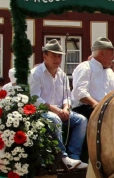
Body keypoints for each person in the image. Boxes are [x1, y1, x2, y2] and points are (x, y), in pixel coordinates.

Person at [29, 39, 87, 169]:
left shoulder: (63, 75)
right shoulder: (35, 74)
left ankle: (75, 157)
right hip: (40, 112)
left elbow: (67, 96)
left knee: (81, 120)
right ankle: (63, 157)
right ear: (45, 56)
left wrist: (66, 108)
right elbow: (35, 99)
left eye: (59, 56)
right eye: (53, 55)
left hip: (59, 111)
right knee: (55, 119)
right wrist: (56, 110)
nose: (57, 59)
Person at [71, 37, 114, 119]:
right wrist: (96, 105)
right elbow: (80, 92)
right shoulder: (85, 67)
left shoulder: (109, 72)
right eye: (112, 54)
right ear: (101, 53)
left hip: (105, 109)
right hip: (85, 109)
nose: (113, 58)